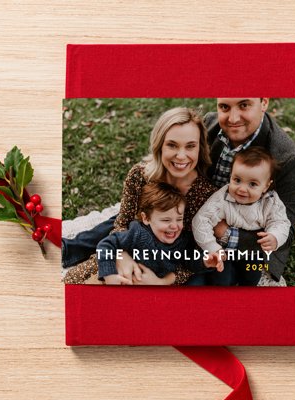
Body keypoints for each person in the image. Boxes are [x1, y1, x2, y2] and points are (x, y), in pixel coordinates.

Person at [63, 107, 217, 285]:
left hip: (167, 270)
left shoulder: (206, 195)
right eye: (172, 145)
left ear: (200, 147)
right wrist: (122, 256)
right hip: (130, 249)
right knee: (74, 283)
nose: (181, 156)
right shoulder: (140, 175)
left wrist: (164, 281)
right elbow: (121, 224)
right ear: (159, 145)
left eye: (190, 146)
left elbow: (195, 258)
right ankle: (70, 250)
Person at [204, 98, 295, 285]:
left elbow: (286, 232)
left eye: (244, 105)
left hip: (250, 244)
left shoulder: (288, 158)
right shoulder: (208, 125)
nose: (233, 118)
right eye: (224, 107)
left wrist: (225, 233)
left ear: (264, 102)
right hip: (205, 225)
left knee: (252, 280)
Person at [192, 147, 291, 286]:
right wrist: (212, 247)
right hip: (224, 250)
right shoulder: (223, 197)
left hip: (251, 253)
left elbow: (280, 222)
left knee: (252, 276)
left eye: (252, 184)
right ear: (230, 176)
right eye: (237, 180)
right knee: (221, 280)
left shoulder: (270, 201)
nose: (242, 189)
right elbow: (201, 220)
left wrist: (275, 236)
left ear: (266, 186)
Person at [97, 182, 222, 285]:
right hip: (125, 280)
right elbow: (106, 245)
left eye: (179, 219)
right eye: (166, 220)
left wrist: (205, 261)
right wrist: (110, 276)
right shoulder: (138, 233)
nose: (174, 226)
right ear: (146, 219)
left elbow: (188, 261)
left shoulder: (181, 241)